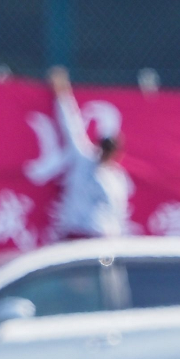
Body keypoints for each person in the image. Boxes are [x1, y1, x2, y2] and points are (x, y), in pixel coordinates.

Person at [45, 66, 130, 239]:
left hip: (103, 238)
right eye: (104, 147)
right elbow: (71, 126)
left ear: (116, 153)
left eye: (110, 149)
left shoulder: (117, 179)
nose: (106, 153)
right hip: (76, 233)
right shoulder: (83, 158)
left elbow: (119, 213)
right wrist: (63, 93)